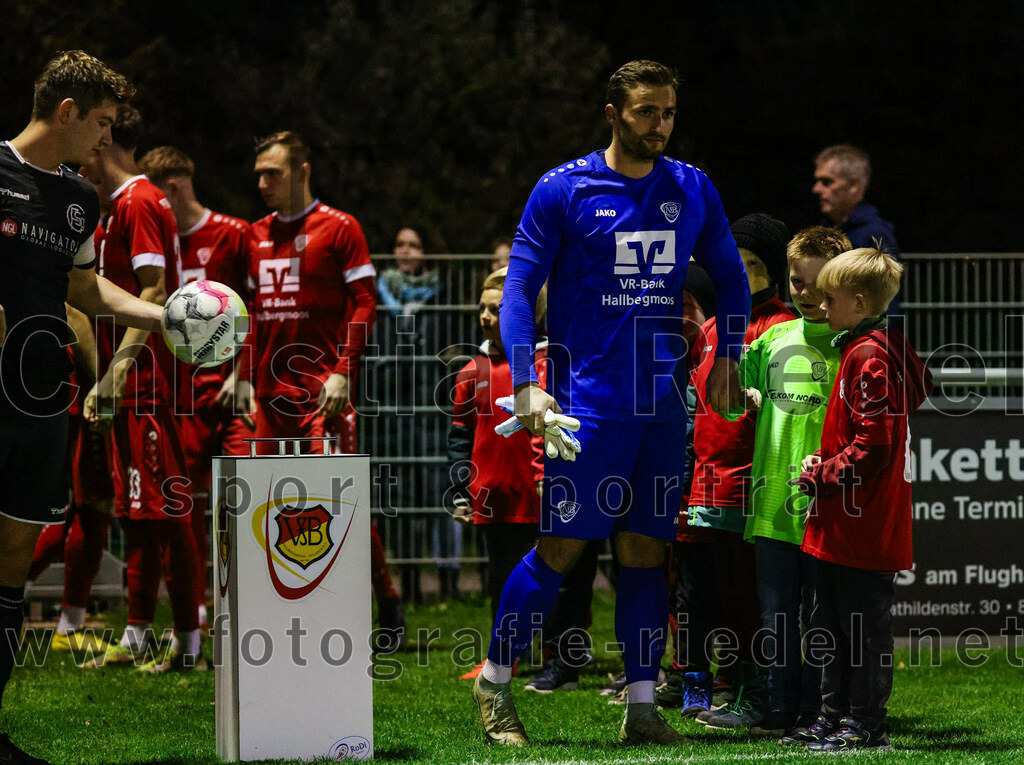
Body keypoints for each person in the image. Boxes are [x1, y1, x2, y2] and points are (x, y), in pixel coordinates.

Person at [470, 59, 751, 747]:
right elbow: (516, 290)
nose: (662, 124)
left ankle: (643, 707)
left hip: (659, 406)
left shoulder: (690, 188)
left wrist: (732, 355)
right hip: (584, 406)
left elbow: (733, 275)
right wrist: (524, 379)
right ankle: (495, 681)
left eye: (670, 112)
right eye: (648, 111)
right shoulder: (562, 189)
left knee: (647, 554)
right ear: (613, 114)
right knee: (560, 549)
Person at [0, 50, 159, 764]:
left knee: (10, 560)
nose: (106, 140)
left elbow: (87, 292)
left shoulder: (79, 200)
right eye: (100, 123)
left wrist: (163, 319)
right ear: (65, 112)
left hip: (38, 402)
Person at [789, 247, 932, 751]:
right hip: (840, 519)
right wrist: (822, 467)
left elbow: (874, 448)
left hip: (862, 523)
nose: (820, 306)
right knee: (828, 625)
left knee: (860, 632)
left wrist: (822, 475)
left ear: (858, 300)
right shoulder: (862, 349)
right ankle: (834, 716)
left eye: (829, 298)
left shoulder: (872, 356)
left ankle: (865, 724)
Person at [78, 105, 204, 674]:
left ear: (102, 143)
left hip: (149, 385)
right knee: (141, 512)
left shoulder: (137, 201)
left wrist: (115, 372)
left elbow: (153, 290)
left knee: (168, 512)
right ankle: (140, 634)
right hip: (136, 385)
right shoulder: (119, 207)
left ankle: (190, 639)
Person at [724, 226, 852, 737]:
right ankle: (779, 710)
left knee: (822, 619)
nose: (805, 294)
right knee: (776, 618)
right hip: (773, 502)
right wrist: (736, 393)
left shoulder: (856, 346)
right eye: (796, 282)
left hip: (828, 508)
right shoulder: (773, 337)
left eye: (818, 285)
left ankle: (822, 710)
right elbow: (728, 398)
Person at [678, 213, 795, 731]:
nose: (743, 275)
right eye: (735, 263)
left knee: (754, 600)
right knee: (721, 597)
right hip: (710, 486)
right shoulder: (711, 329)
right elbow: (699, 411)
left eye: (753, 264)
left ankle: (765, 696)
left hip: (754, 488)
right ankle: (736, 686)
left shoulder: (782, 329)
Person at [137, 145, 251, 629]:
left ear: (175, 188)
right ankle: (197, 614)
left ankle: (250, 610)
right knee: (182, 507)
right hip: (177, 396)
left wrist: (241, 375)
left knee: (242, 503)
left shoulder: (232, 234)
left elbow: (255, 306)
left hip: (228, 393)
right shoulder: (158, 245)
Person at [241, 131, 376, 451]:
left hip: (322, 392)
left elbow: (367, 302)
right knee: (268, 499)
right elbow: (253, 311)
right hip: (268, 396)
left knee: (329, 499)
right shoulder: (254, 234)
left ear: (303, 172)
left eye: (272, 173)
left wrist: (343, 373)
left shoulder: (339, 227)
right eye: (259, 174)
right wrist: (245, 376)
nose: (263, 184)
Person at [446, 267, 546, 679]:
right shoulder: (471, 370)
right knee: (498, 578)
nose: (487, 317)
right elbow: (459, 438)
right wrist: (459, 492)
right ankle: (503, 656)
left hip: (535, 493)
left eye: (496, 309)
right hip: (492, 494)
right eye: (482, 309)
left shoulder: (541, 362)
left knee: (542, 577)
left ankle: (553, 657)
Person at [812, 144, 902, 320]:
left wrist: (878, 343)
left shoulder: (875, 234)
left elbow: (885, 305)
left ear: (853, 185)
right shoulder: (833, 229)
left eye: (827, 181)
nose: (817, 189)